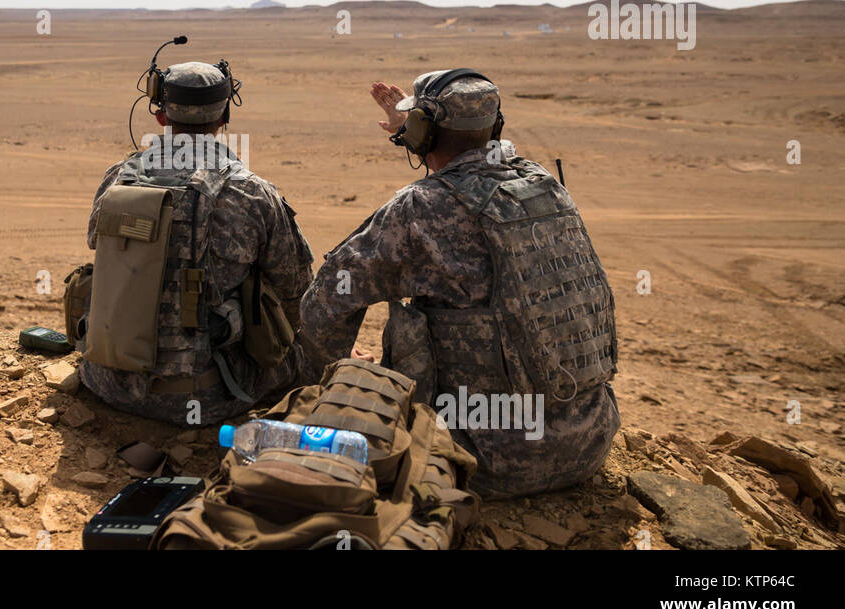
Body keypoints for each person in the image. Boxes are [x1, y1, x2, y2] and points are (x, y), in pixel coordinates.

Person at [296, 69, 620, 497]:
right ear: (496, 126)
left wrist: (322, 383)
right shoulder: (546, 187)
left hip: (481, 459)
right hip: (588, 440)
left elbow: (326, 302)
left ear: (425, 131)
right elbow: (477, 173)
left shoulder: (418, 208)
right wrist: (414, 130)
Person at [77, 60, 314, 427]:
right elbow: (295, 290)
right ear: (224, 119)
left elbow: (97, 242)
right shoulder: (253, 192)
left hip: (107, 382)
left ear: (160, 115)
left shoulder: (119, 178)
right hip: (207, 399)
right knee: (302, 348)